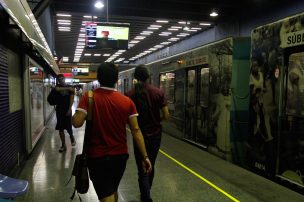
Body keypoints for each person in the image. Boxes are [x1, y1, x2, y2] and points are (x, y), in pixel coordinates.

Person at [72, 63, 152, 202]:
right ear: (116, 80)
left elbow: (77, 122)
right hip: (120, 157)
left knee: (106, 194)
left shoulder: (89, 97)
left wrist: (73, 111)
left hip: (98, 157)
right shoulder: (127, 102)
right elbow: (136, 130)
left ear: (98, 78)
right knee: (112, 189)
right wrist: (145, 157)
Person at [126, 65, 170, 202]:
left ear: (135, 78)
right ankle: (146, 194)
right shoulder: (158, 92)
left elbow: (128, 118)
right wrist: (157, 120)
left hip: (139, 136)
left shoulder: (129, 94)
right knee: (151, 164)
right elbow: (166, 116)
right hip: (155, 135)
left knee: (142, 167)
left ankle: (145, 197)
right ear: (148, 76)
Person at [54, 74, 76, 152]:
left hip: (67, 110)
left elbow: (72, 97)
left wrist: (70, 109)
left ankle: (71, 136)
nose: (61, 80)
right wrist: (68, 88)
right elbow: (57, 89)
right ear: (58, 80)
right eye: (59, 79)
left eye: (62, 78)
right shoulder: (57, 86)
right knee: (60, 128)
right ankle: (63, 145)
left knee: (69, 127)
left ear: (64, 78)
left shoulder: (70, 86)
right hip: (59, 110)